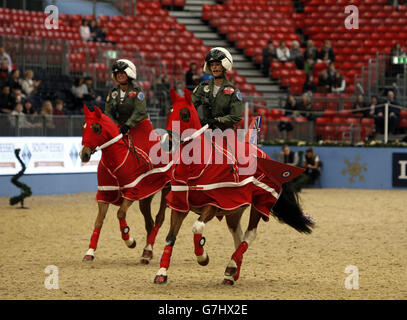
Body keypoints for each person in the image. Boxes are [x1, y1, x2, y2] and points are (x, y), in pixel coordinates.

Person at [191, 47, 243, 131]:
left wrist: (218, 120)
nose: (214, 67)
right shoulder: (202, 87)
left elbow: (236, 116)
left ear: (224, 66)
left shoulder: (233, 91)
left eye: (217, 65)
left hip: (225, 133)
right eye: (212, 65)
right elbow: (191, 104)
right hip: (204, 130)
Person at [105, 59, 148, 136]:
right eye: (117, 73)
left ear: (129, 74)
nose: (119, 75)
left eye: (122, 73)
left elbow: (140, 111)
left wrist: (128, 125)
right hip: (120, 129)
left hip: (139, 128)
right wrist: (115, 126)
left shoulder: (137, 91)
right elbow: (108, 112)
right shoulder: (113, 92)